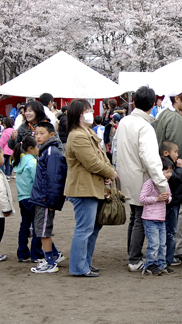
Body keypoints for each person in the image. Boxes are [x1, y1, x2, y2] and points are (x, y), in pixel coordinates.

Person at [115, 86, 169, 272]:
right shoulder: (145, 126)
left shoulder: (124, 121)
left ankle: (132, 254)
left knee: (134, 216)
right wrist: (162, 186)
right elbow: (151, 159)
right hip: (140, 177)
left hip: (125, 175)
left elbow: (116, 150)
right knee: (140, 218)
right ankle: (134, 258)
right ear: (153, 104)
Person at [64, 99, 118, 277]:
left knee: (92, 228)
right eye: (86, 110)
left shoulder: (85, 132)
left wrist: (107, 174)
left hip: (91, 187)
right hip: (83, 189)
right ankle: (79, 267)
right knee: (85, 228)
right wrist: (111, 173)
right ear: (78, 114)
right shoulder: (78, 135)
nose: (90, 112)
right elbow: (92, 162)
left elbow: (99, 159)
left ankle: (85, 262)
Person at [155, 89, 182, 263]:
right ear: (177, 98)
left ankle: (171, 247)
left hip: (167, 170)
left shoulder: (164, 114)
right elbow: (175, 148)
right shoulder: (174, 118)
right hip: (174, 171)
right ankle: (177, 247)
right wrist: (180, 168)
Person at [29, 122, 67, 274]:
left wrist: (51, 201)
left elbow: (54, 178)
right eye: (36, 133)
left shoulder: (51, 152)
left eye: (42, 133)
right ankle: (54, 256)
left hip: (45, 199)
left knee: (43, 230)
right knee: (41, 229)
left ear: (51, 135)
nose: (38, 136)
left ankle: (50, 262)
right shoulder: (47, 150)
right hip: (42, 197)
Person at [13, 135, 49, 263]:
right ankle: (36, 253)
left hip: (22, 197)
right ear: (30, 148)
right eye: (36, 147)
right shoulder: (32, 162)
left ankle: (22, 253)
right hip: (33, 198)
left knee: (25, 225)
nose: (38, 149)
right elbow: (37, 181)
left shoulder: (20, 161)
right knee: (37, 226)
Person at [140, 156, 174, 276]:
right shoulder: (149, 183)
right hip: (150, 218)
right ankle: (150, 265)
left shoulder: (165, 184)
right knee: (154, 244)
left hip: (161, 218)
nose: (169, 174)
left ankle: (161, 264)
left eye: (170, 171)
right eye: (167, 171)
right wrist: (157, 198)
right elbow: (142, 199)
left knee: (162, 244)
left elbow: (170, 196)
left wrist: (166, 199)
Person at [160, 140, 182, 267]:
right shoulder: (168, 166)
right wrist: (180, 168)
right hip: (172, 202)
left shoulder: (168, 164)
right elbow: (176, 178)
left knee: (167, 230)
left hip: (172, 201)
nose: (177, 154)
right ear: (166, 153)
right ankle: (168, 258)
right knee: (171, 230)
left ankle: (165, 256)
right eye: (175, 151)